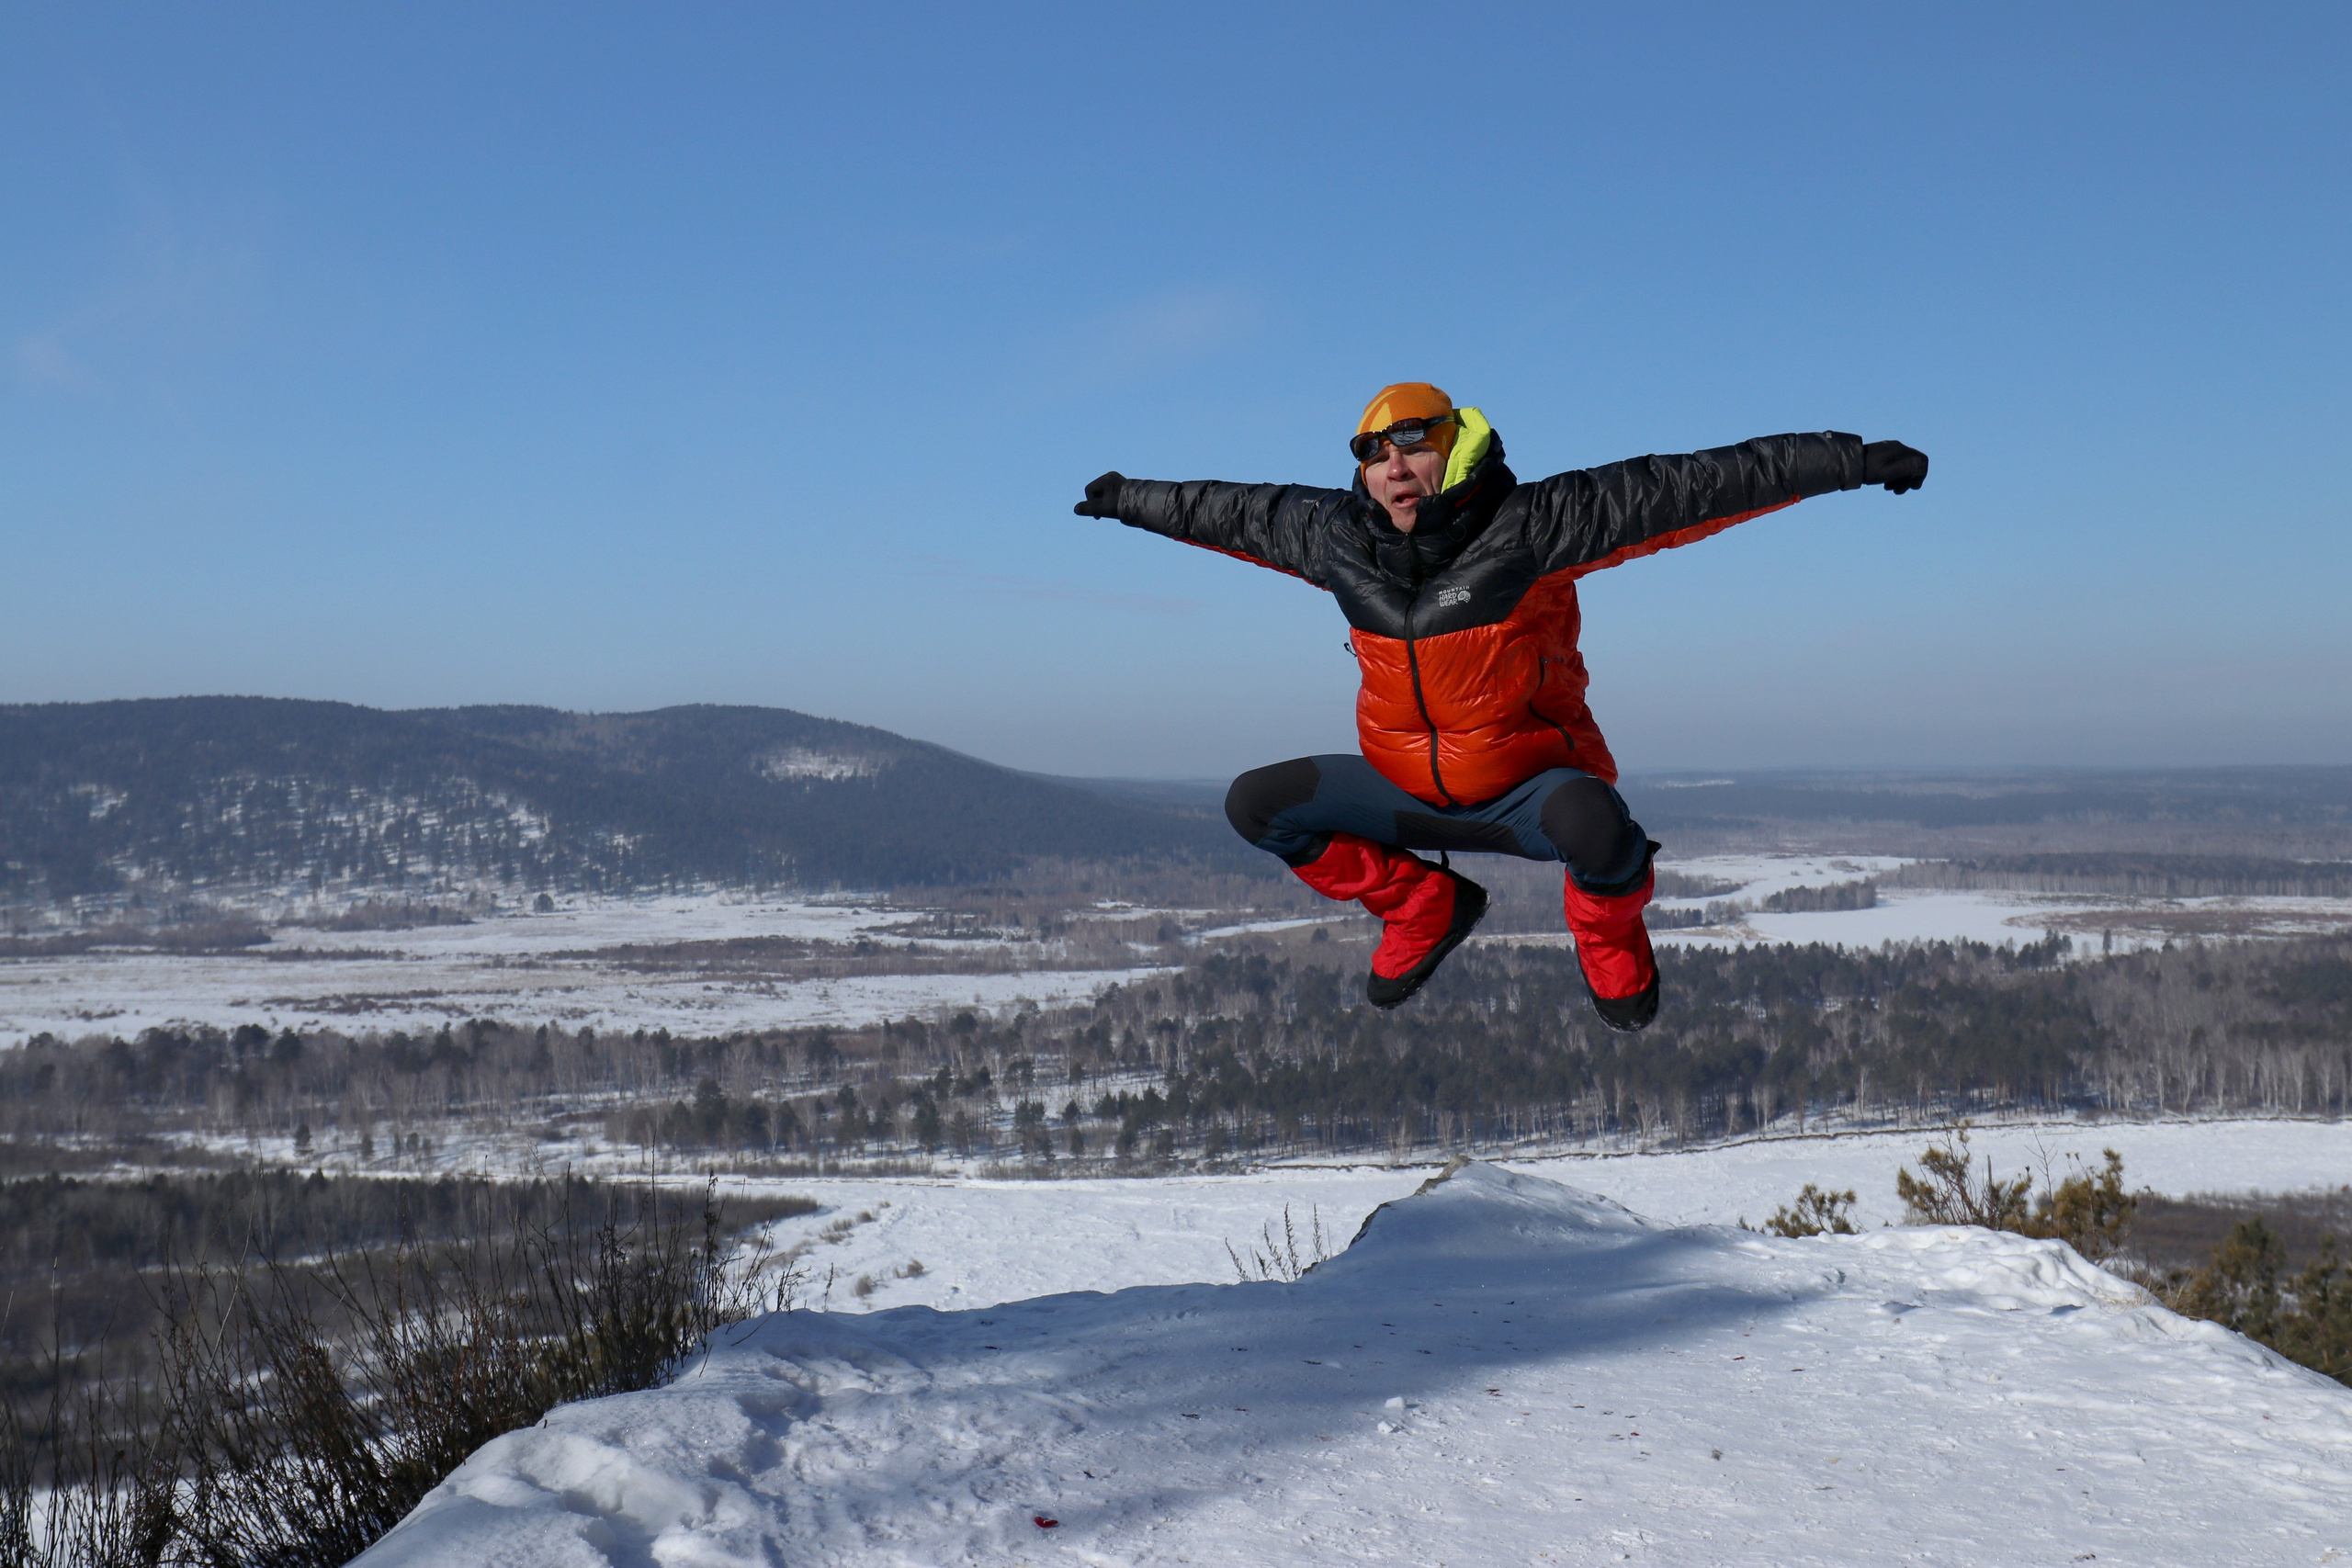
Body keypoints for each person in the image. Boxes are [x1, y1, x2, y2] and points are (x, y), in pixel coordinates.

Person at [1071, 385, 1927, 1031]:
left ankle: (1608, 941)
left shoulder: (1533, 526)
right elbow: (1225, 510)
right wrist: (1126, 499)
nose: (1394, 468)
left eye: (1413, 446)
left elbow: (1694, 486)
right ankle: (1421, 904)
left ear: (1459, 449)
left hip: (1529, 793)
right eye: (1376, 455)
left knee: (1600, 828)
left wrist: (1846, 460)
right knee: (1256, 803)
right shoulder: (1336, 536)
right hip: (1401, 789)